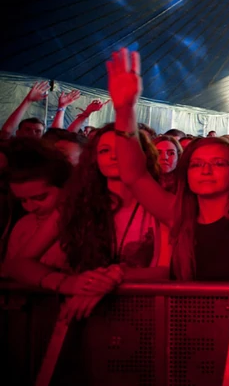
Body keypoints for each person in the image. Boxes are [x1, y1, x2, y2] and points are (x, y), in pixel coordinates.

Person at [108, 49, 229, 282]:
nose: (206, 170)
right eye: (196, 164)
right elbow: (134, 175)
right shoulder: (178, 216)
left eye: (218, 163)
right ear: (186, 173)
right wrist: (125, 111)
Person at [3, 124, 170, 320]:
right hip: (82, 314)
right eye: (104, 150)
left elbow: (168, 270)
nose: (114, 156)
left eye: (122, 149)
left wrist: (116, 276)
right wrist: (68, 283)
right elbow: (20, 263)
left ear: (142, 155)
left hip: (143, 313)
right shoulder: (75, 206)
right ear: (94, 159)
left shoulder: (160, 204)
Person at [2, 140, 72, 269]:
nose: (30, 207)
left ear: (66, 187)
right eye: (23, 200)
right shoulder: (23, 225)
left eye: (40, 198)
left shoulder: (85, 227)